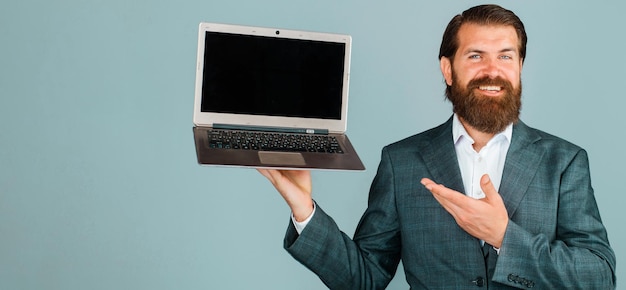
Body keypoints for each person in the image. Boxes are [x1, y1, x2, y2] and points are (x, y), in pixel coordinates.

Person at [258, 4, 616, 289]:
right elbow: (362, 279)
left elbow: (598, 277)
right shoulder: (402, 162)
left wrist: (504, 237)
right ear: (448, 69)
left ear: (520, 66)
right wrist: (304, 209)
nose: (493, 69)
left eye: (506, 56)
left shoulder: (564, 161)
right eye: (476, 56)